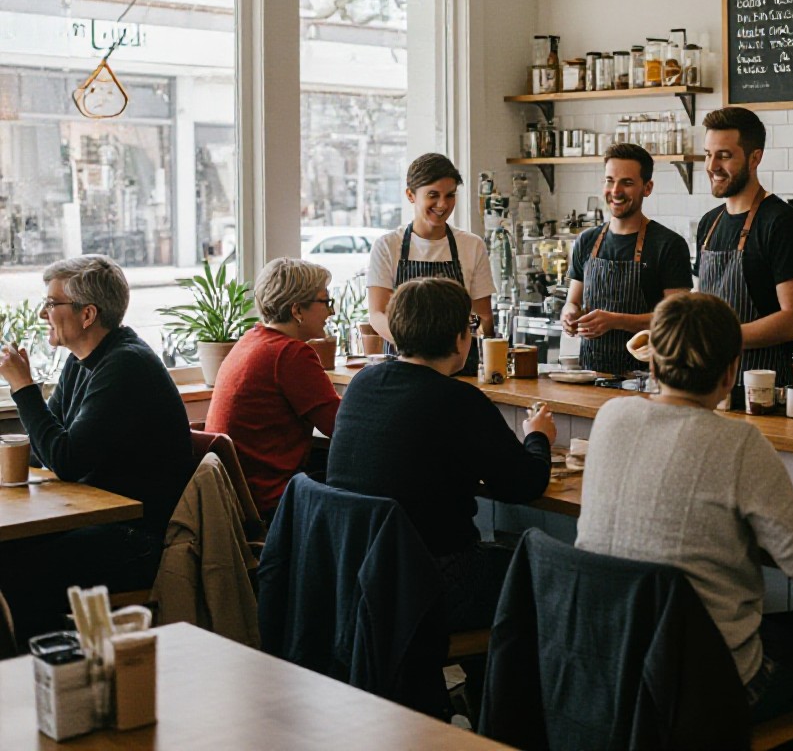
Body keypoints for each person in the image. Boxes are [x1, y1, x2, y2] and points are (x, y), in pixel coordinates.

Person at [576, 291, 793, 742]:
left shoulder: (612, 416)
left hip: (609, 672)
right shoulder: (739, 443)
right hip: (697, 690)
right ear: (731, 370)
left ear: (653, 365)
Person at [327, 275, 554, 633]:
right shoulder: (457, 400)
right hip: (431, 583)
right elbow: (524, 484)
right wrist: (538, 437)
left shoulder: (362, 384)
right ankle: (498, 689)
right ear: (460, 338)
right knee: (540, 576)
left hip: (355, 574)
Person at [0, 255, 194, 644]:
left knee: (15, 568)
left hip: (134, 537)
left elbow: (67, 462)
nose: (42, 314)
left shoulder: (126, 366)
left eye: (52, 304)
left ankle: (48, 673)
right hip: (94, 520)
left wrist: (23, 388)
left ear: (87, 314)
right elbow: (45, 451)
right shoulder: (81, 362)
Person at [696, 106, 793, 407]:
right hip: (709, 390)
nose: (712, 166)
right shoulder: (710, 223)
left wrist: (723, 339)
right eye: (708, 154)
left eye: (724, 155)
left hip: (764, 397)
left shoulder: (782, 223)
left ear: (755, 157)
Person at [207, 257, 340, 519]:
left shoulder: (251, 340)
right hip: (273, 504)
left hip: (237, 499)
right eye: (325, 302)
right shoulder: (290, 354)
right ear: (297, 310)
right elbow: (342, 427)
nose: (331, 312)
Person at [561, 143, 692, 375]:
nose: (616, 190)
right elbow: (573, 301)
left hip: (649, 378)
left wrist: (615, 321)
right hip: (591, 375)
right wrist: (569, 314)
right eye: (610, 180)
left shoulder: (668, 244)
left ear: (647, 187)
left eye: (627, 182)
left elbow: (677, 319)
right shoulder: (586, 241)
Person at [366, 152, 494, 376]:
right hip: (402, 369)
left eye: (450, 195)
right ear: (410, 195)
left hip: (459, 373)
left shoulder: (472, 246)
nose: (442, 204)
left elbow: (483, 317)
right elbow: (377, 314)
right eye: (433, 195)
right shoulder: (388, 246)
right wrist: (418, 352)